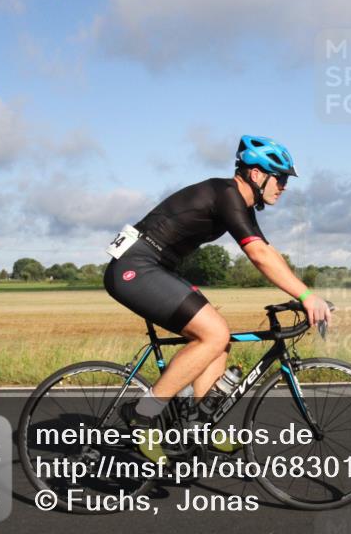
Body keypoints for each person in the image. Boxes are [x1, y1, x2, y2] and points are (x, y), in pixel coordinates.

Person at [102, 135, 332, 460]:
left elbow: (267, 251)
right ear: (256, 174)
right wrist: (307, 295)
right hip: (135, 267)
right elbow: (259, 257)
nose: (283, 186)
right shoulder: (227, 195)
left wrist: (303, 292)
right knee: (214, 333)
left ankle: (196, 423)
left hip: (153, 267)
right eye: (279, 177)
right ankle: (142, 414)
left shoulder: (238, 203)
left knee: (219, 339)